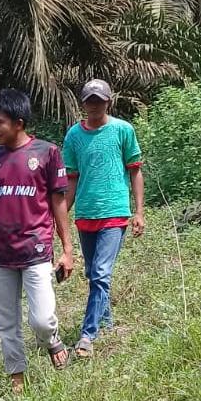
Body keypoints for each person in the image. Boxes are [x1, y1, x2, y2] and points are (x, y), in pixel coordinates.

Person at [0, 89, 74, 391]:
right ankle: (16, 375)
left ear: (18, 123)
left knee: (41, 320)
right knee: (6, 323)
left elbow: (58, 201)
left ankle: (52, 341)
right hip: (1, 254)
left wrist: (68, 249)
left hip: (36, 249)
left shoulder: (46, 153)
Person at [62, 79, 144, 358]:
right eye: (89, 101)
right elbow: (71, 179)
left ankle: (88, 335)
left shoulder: (123, 130)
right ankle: (106, 322)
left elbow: (134, 171)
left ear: (108, 102)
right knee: (92, 273)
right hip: (86, 212)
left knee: (100, 273)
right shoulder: (74, 135)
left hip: (115, 212)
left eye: (99, 100)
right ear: (83, 103)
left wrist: (139, 212)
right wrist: (59, 214)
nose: (94, 105)